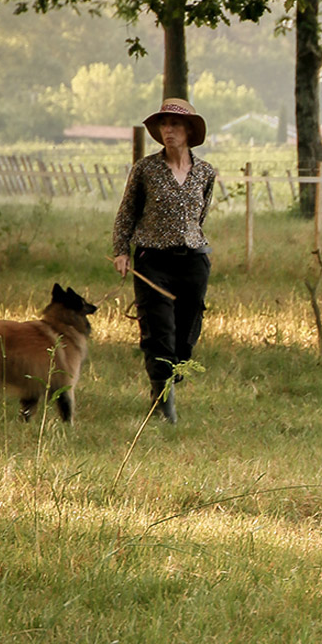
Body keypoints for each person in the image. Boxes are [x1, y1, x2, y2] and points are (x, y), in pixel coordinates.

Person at [112, 98, 216, 423]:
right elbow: (127, 211)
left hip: (193, 260)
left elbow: (200, 215)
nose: (168, 130)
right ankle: (163, 405)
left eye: (175, 124)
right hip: (151, 260)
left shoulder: (206, 173)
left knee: (186, 329)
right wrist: (121, 250)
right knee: (158, 330)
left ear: (188, 130)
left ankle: (174, 371)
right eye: (163, 124)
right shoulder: (145, 169)